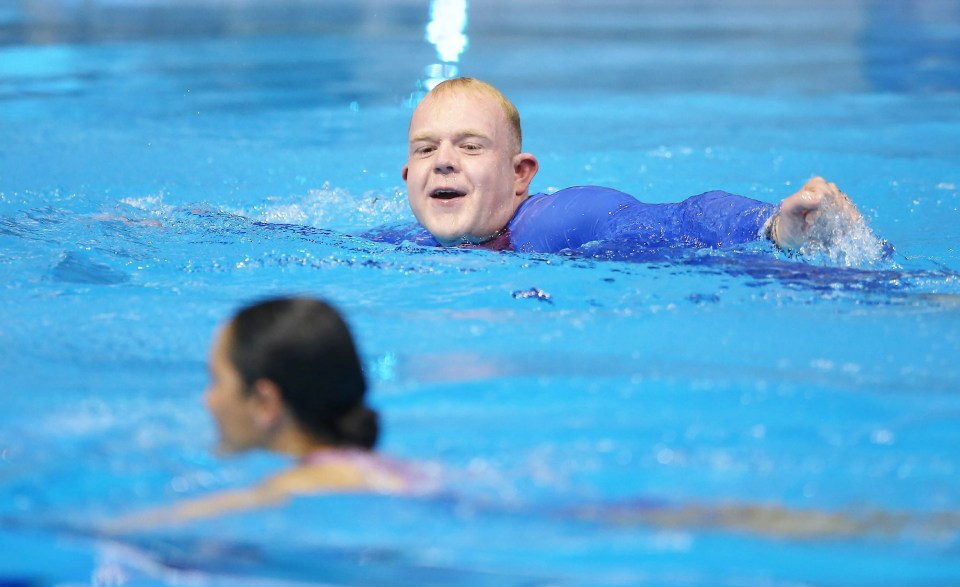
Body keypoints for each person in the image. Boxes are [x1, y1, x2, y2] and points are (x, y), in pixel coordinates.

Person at [365, 77, 868, 257]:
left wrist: (772, 228)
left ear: (521, 175)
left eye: (470, 147)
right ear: (408, 179)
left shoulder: (562, 221)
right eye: (426, 150)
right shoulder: (403, 243)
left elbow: (682, 218)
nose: (444, 163)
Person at [109, 297, 428, 529]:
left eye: (218, 381)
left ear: (265, 403)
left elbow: (154, 529)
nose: (209, 400)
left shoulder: (296, 489)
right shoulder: (400, 471)